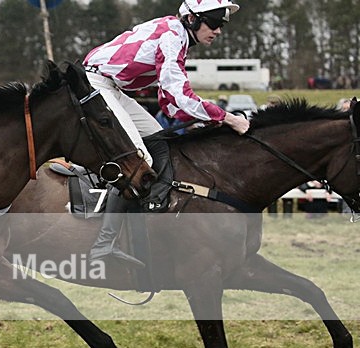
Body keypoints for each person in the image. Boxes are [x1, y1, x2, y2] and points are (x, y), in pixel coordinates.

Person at [82, 0, 251, 267]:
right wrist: (226, 117)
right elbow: (179, 95)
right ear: (193, 19)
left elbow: (168, 102)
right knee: (138, 159)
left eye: (221, 25)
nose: (218, 31)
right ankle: (104, 243)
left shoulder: (177, 36)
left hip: (111, 86)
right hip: (96, 84)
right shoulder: (173, 36)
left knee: (160, 141)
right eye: (214, 23)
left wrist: (205, 119)